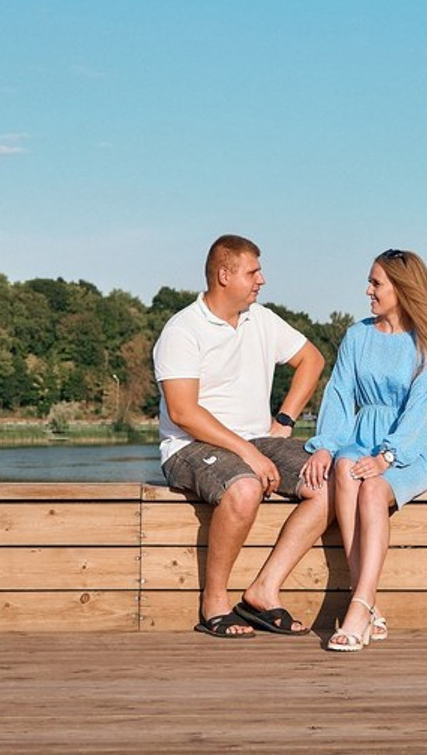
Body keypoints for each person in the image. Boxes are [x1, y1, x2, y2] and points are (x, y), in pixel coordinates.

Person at [153, 234, 332, 639]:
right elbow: (184, 412)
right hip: (188, 446)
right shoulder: (183, 329)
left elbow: (311, 359)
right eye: (253, 272)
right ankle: (213, 603)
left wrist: (284, 419)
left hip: (256, 440)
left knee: (334, 481)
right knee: (245, 488)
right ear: (224, 275)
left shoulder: (261, 320)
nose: (262, 280)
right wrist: (245, 450)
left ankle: (262, 592)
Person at [300, 247, 427, 651]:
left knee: (371, 488)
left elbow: (420, 416)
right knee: (343, 469)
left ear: (401, 289)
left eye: (376, 283)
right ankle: (367, 602)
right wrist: (324, 447)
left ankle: (359, 606)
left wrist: (387, 457)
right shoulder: (357, 335)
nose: (367, 290)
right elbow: (338, 394)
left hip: (411, 447)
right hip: (361, 435)